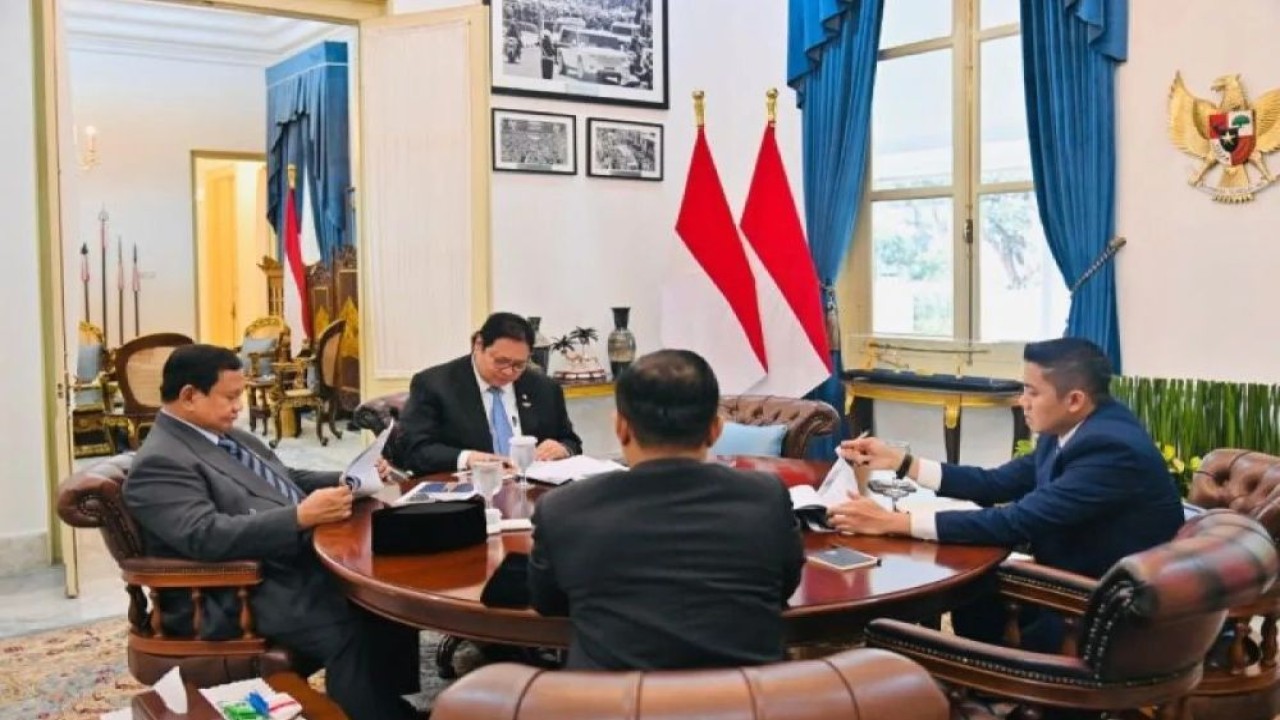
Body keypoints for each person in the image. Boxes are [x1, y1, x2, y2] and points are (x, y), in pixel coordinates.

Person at [828, 337, 1183, 650]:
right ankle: (989, 691)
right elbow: (994, 484)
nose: (1021, 401)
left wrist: (895, 522)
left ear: (1074, 399)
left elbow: (1017, 521)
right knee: (970, 594)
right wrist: (900, 461)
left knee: (915, 627)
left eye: (1032, 391)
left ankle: (990, 687)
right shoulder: (1076, 427)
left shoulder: (1110, 449)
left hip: (1095, 613)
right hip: (1069, 581)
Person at [123, 345, 417, 720]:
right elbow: (205, 536)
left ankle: (387, 705)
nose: (238, 407)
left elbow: (284, 477)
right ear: (189, 396)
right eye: (230, 397)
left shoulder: (225, 434)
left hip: (280, 565)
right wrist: (299, 517)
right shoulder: (161, 461)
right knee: (350, 620)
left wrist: (350, 479)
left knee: (385, 592)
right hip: (234, 590)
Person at [528, 349, 805, 670]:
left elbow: (547, 602)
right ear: (716, 430)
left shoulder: (563, 509)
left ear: (620, 428)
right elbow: (784, 586)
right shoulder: (766, 498)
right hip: (746, 703)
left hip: (611, 705)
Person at [389, 312, 582, 475]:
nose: (509, 372)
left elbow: (571, 441)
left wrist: (563, 449)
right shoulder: (434, 384)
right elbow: (415, 451)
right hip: (470, 494)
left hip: (533, 492)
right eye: (501, 361)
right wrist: (468, 458)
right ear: (478, 345)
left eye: (518, 365)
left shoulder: (544, 388)